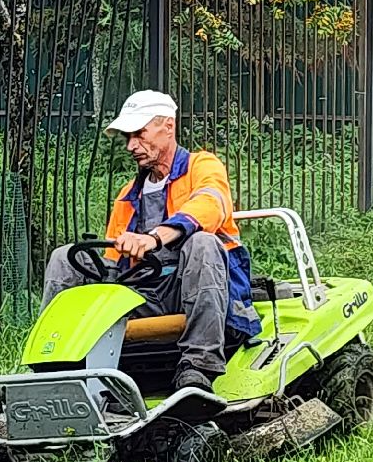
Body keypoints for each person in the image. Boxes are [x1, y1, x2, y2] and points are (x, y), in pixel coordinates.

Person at [41, 90, 261, 391]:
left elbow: (210, 205)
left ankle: (198, 366)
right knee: (65, 257)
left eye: (139, 134)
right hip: (143, 292)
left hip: (202, 290)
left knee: (202, 243)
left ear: (168, 126)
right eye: (127, 137)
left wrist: (154, 238)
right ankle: (55, 370)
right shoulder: (128, 195)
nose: (131, 145)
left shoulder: (203, 167)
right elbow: (113, 264)